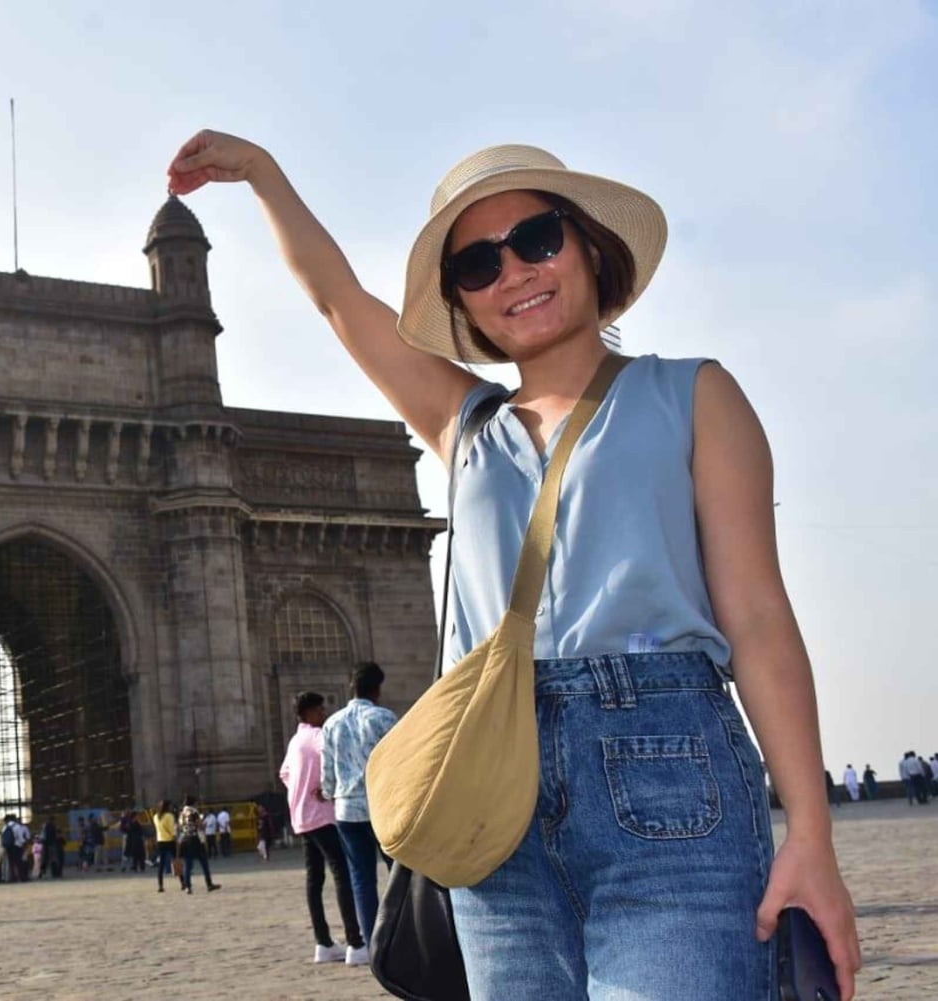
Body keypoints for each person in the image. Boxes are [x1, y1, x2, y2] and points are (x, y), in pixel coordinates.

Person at [166, 131, 861, 999]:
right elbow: (341, 301)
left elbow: (757, 618)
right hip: (492, 801)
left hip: (668, 778)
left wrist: (812, 834)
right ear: (462, 301)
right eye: (479, 264)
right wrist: (263, 176)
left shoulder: (694, 394)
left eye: (536, 240)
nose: (515, 273)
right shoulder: (467, 428)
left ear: (587, 246)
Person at [280, 690, 367, 966]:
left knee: (314, 880)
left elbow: (284, 774)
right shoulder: (319, 736)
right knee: (343, 874)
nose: (324, 714)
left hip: (302, 818)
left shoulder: (295, 741)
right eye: (320, 709)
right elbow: (334, 760)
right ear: (308, 713)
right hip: (323, 816)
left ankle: (324, 943)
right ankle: (355, 943)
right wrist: (325, 790)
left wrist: (302, 789)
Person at [317, 662, 397, 949]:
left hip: (348, 812)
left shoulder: (332, 723)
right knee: (399, 875)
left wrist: (328, 793)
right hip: (382, 807)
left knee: (361, 879)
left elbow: (327, 774)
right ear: (377, 689)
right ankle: (402, 934)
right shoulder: (384, 718)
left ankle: (373, 946)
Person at [177, 796, 220, 893]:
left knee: (187, 865)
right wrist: (203, 824)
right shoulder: (194, 812)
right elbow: (200, 825)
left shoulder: (182, 813)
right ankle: (209, 884)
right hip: (195, 839)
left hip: (185, 839)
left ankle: (187, 886)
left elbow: (180, 826)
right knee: (204, 862)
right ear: (193, 803)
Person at [153, 800, 178, 893]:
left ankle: (160, 885)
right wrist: (175, 839)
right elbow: (172, 830)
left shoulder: (155, 817)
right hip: (170, 840)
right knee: (176, 860)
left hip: (160, 841)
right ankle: (183, 882)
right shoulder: (169, 816)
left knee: (161, 864)